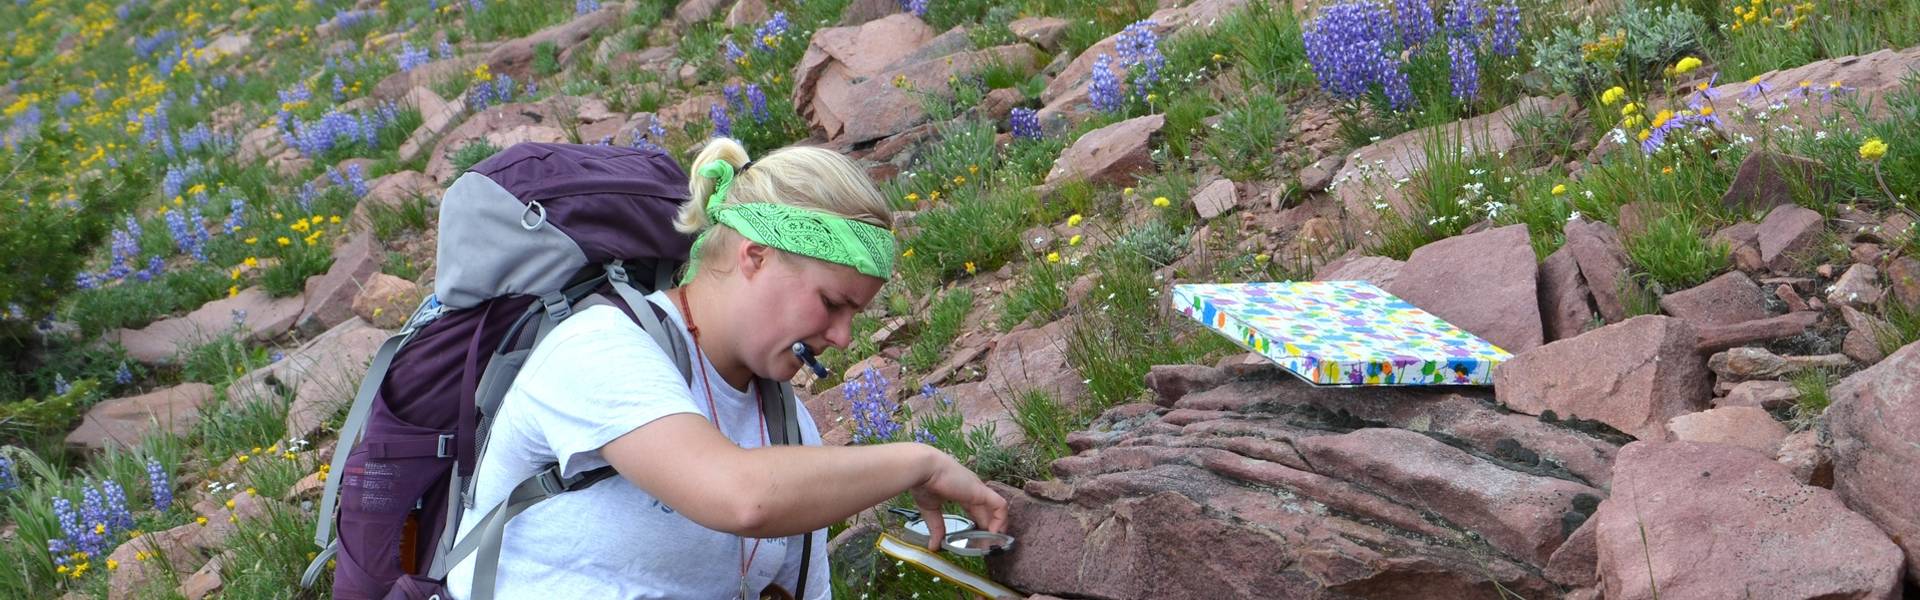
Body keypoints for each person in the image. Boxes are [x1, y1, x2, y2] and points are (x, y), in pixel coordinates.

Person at [441, 137, 1008, 599]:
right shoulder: (599, 348)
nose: (842, 336)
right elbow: (743, 498)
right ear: (754, 256)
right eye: (833, 304)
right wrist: (920, 463)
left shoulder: (788, 435)